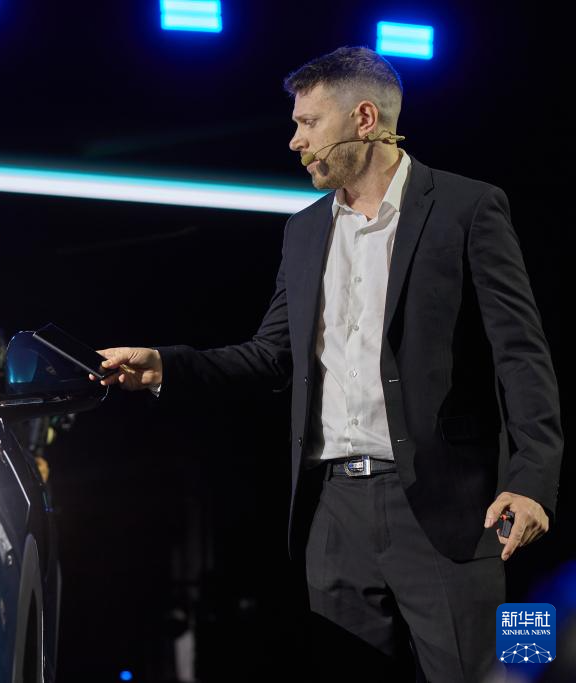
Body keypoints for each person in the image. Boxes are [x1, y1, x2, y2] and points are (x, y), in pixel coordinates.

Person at [89, 46, 563, 682]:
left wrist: (532, 481)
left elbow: (521, 354)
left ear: (364, 118)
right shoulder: (305, 230)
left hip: (447, 509)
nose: (295, 141)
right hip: (333, 513)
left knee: (485, 674)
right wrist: (164, 367)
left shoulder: (467, 207)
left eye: (309, 122)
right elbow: (271, 355)